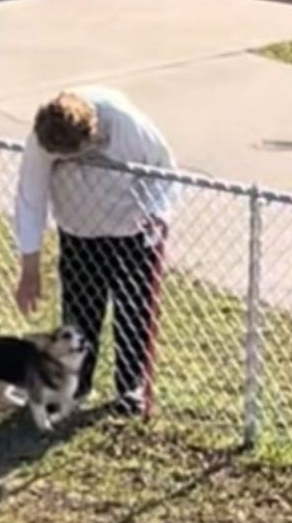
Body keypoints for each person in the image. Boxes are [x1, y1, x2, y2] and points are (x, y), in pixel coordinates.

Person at [12, 87, 179, 418]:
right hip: (78, 233)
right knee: (79, 315)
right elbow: (30, 198)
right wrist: (29, 270)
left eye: (76, 155)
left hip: (131, 231)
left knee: (133, 311)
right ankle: (74, 386)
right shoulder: (44, 137)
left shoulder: (127, 125)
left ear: (92, 133)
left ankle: (131, 389)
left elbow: (165, 171)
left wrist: (157, 214)